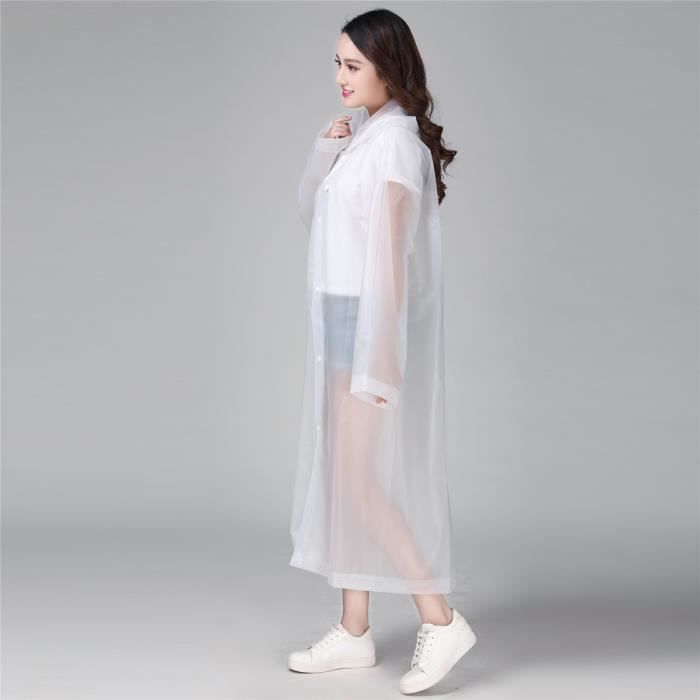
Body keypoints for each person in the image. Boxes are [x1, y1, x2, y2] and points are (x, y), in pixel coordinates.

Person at [287, 9, 477, 695]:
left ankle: (441, 618)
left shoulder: (395, 145)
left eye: (353, 66)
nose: (340, 78)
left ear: (388, 70)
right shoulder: (364, 139)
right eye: (337, 64)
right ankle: (354, 630)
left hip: (367, 323)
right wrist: (324, 152)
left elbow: (393, 258)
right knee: (345, 476)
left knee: (361, 481)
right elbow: (314, 217)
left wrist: (381, 353)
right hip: (341, 319)